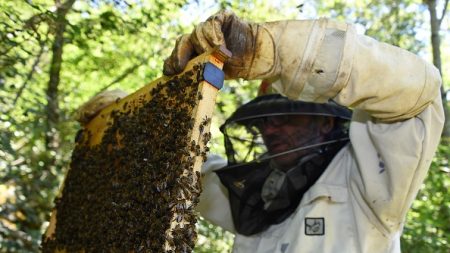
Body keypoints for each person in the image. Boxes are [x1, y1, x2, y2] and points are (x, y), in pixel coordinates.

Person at [163, 10, 444, 253]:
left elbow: (420, 93)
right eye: (263, 121)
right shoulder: (254, 191)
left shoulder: (368, 177)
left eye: (284, 116)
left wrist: (273, 50)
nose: (269, 129)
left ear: (323, 120)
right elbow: (184, 169)